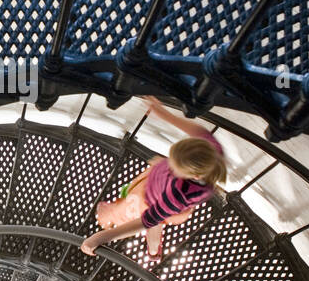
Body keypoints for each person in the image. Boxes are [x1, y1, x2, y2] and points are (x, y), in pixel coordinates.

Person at [79, 96, 227, 260]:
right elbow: (199, 131)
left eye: (174, 167)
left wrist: (102, 237)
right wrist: (164, 113)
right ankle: (154, 249)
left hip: (151, 199)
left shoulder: (178, 196)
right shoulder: (212, 151)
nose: (169, 164)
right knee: (157, 218)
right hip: (156, 185)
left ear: (194, 175)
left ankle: (153, 248)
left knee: (151, 220)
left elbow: (147, 220)